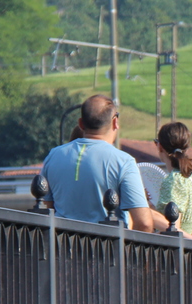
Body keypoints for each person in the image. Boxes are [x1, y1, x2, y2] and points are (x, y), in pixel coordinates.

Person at [40, 94, 152, 231]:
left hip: (62, 242)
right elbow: (144, 223)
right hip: (107, 242)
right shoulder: (123, 161)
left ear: (81, 124)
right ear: (115, 122)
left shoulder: (54, 156)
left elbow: (46, 210)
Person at [150, 122, 192, 235]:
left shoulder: (175, 180)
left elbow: (172, 228)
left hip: (173, 245)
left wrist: (144, 210)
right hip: (187, 242)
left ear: (160, 147)